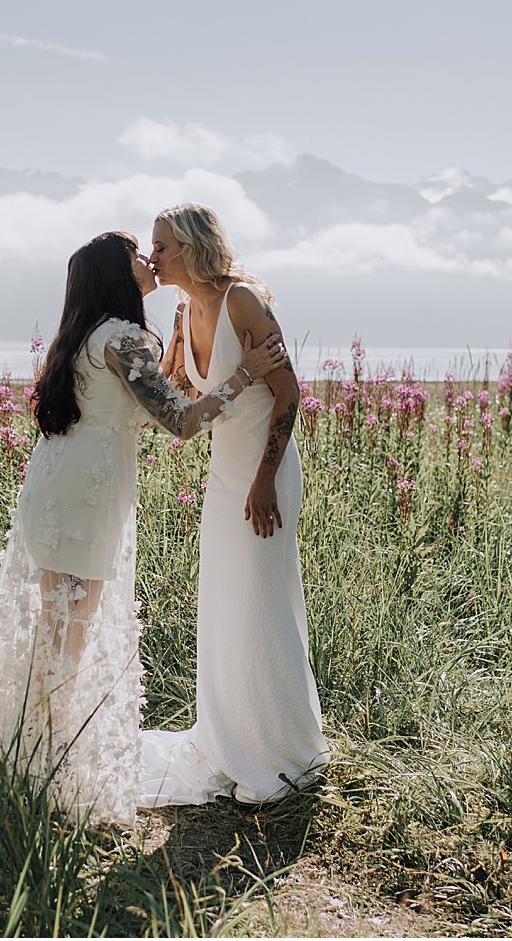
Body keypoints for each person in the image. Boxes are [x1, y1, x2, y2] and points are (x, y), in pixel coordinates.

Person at [0, 230, 286, 826]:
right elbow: (180, 423)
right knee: (69, 637)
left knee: (54, 631)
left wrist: (182, 355)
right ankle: (44, 771)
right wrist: (243, 376)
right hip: (86, 499)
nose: (148, 260)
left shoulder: (85, 335)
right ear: (116, 273)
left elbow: (155, 398)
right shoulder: (127, 338)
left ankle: (20, 756)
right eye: (137, 254)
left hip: (58, 485)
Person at [141, 203, 330, 806]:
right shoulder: (180, 311)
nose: (154, 258)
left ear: (193, 247)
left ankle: (286, 754)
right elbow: (180, 402)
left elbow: (290, 393)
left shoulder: (241, 301)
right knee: (225, 603)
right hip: (225, 476)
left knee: (263, 599)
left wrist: (265, 478)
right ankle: (230, 742)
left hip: (265, 475)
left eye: (162, 247)